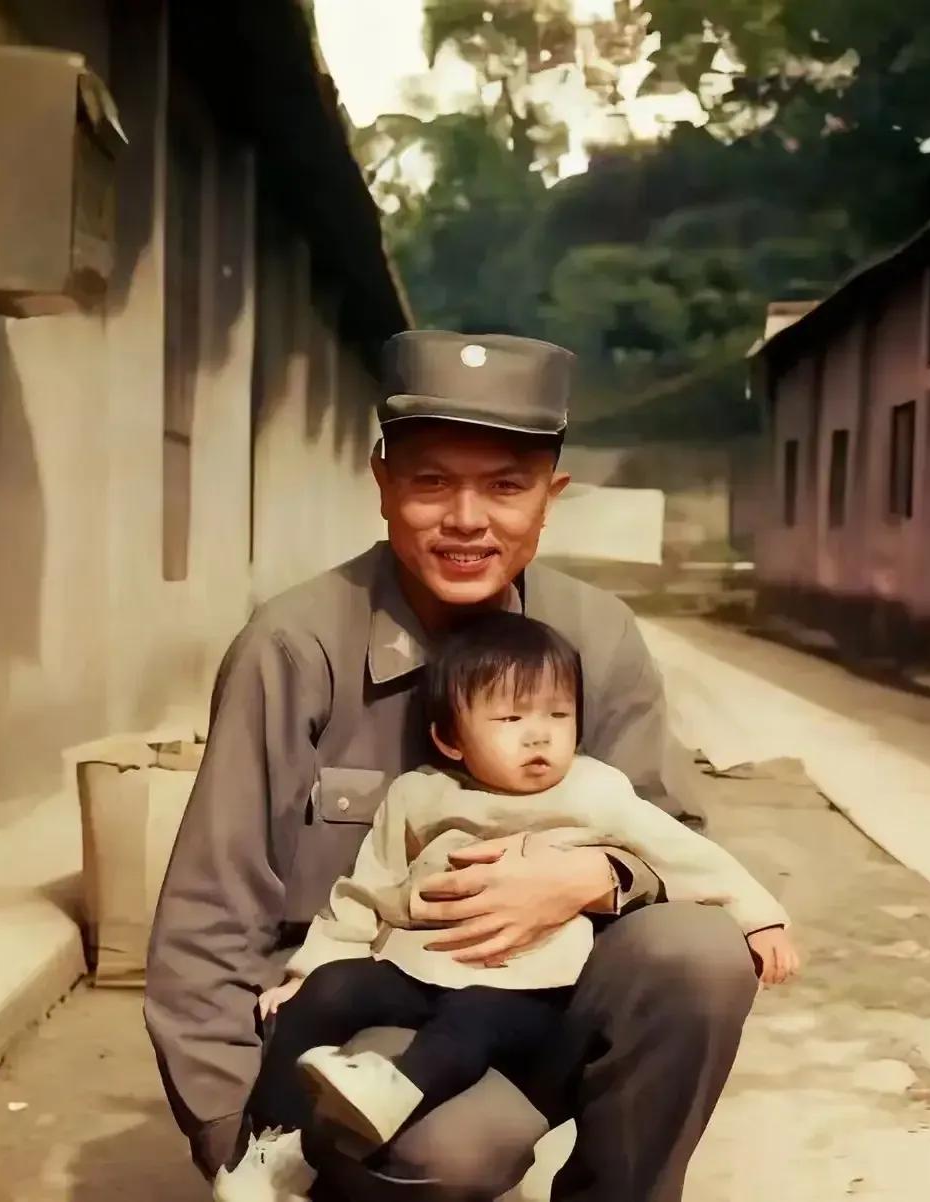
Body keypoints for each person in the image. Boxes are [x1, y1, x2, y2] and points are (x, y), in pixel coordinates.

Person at [145, 330, 771, 1202]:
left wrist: (594, 876)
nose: (468, 519)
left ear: (550, 498)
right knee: (435, 1152)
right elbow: (210, 913)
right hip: (373, 1012)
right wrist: (237, 1138)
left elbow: (679, 840)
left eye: (507, 486)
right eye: (432, 481)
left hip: (541, 995)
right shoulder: (295, 646)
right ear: (383, 485)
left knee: (701, 953)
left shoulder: (596, 636)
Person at [213, 613, 798, 1200]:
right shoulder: (419, 794)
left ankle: (395, 1086)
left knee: (472, 1022)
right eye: (511, 719)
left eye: (558, 716)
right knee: (330, 991)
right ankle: (273, 1146)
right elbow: (363, 892)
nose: (538, 735)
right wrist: (306, 974)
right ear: (450, 738)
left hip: (528, 995)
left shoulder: (594, 792)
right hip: (419, 972)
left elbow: (683, 853)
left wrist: (759, 915)